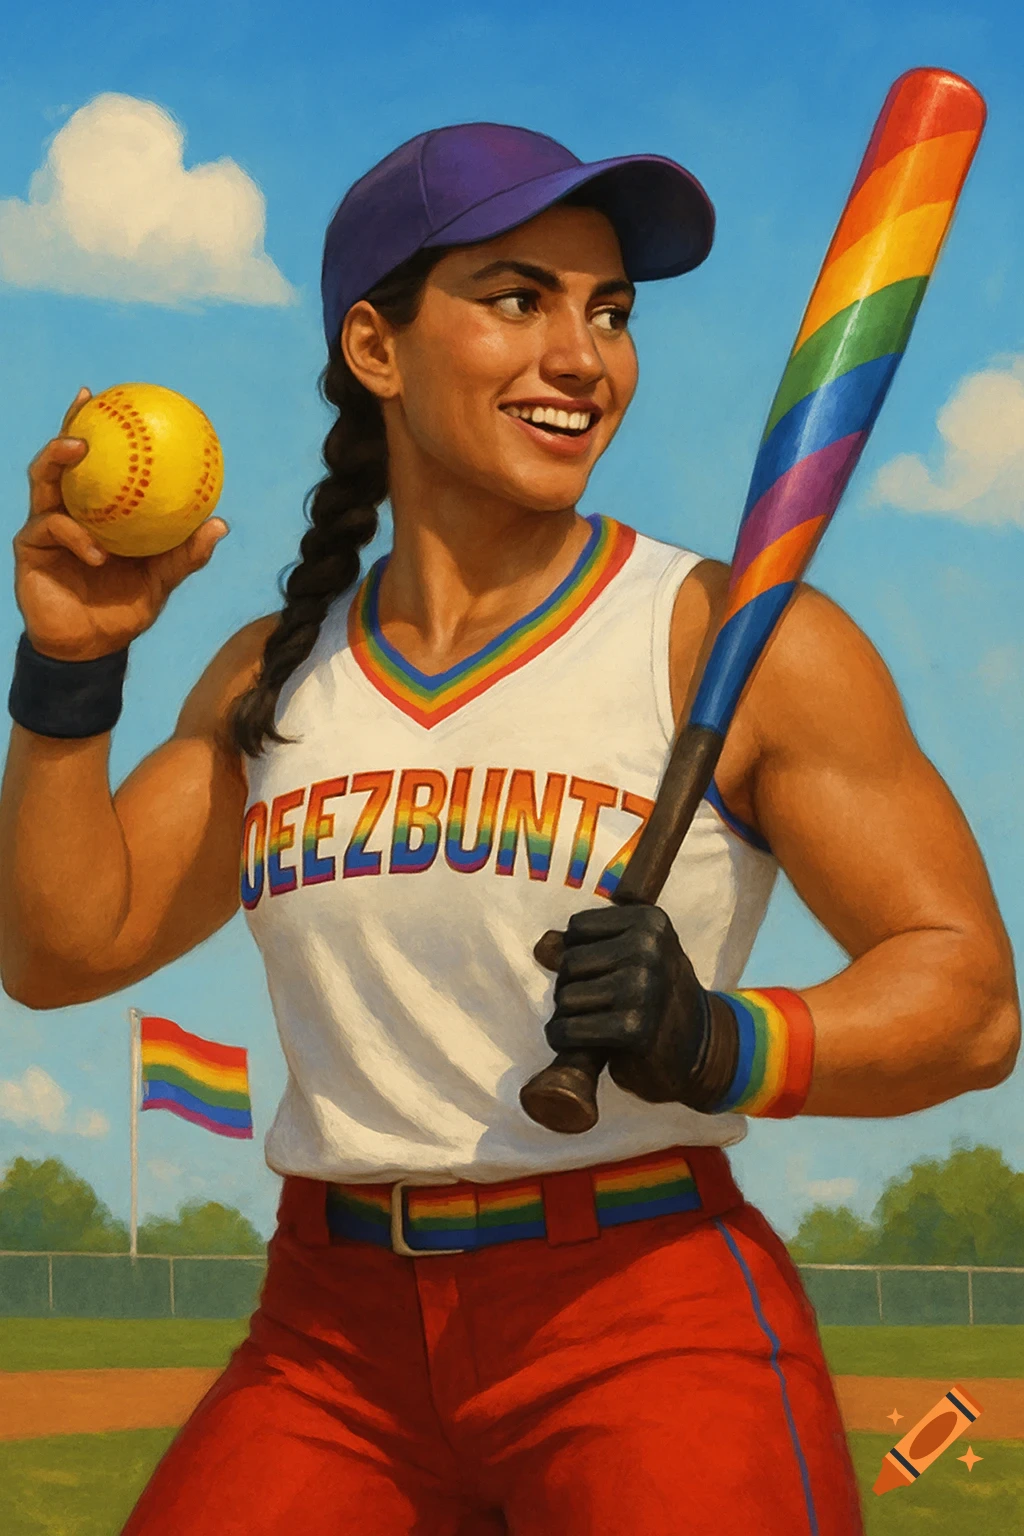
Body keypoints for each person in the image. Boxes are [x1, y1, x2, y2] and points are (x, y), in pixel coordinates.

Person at [1, 122, 1017, 1536]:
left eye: (610, 312)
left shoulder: (725, 640)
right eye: (519, 298)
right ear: (377, 346)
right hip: (332, 1338)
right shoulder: (274, 674)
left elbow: (968, 996)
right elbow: (62, 951)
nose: (582, 357)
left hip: (642, 1312)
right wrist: (70, 672)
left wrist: (722, 1039)